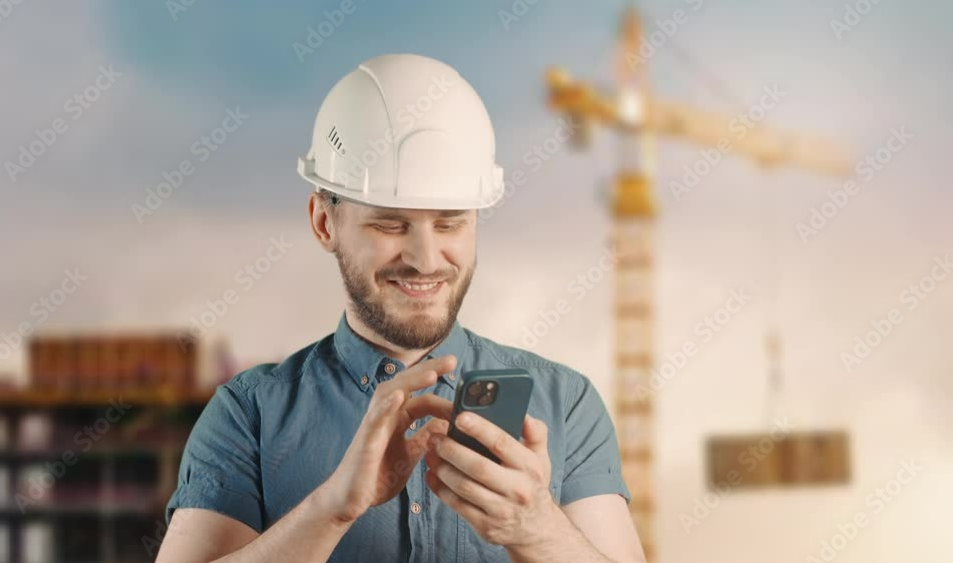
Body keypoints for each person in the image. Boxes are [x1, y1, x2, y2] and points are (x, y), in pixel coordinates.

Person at [159, 53, 646, 563]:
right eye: (390, 225)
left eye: (450, 223)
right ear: (325, 223)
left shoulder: (565, 405)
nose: (425, 259)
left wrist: (537, 530)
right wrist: (333, 509)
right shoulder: (250, 414)